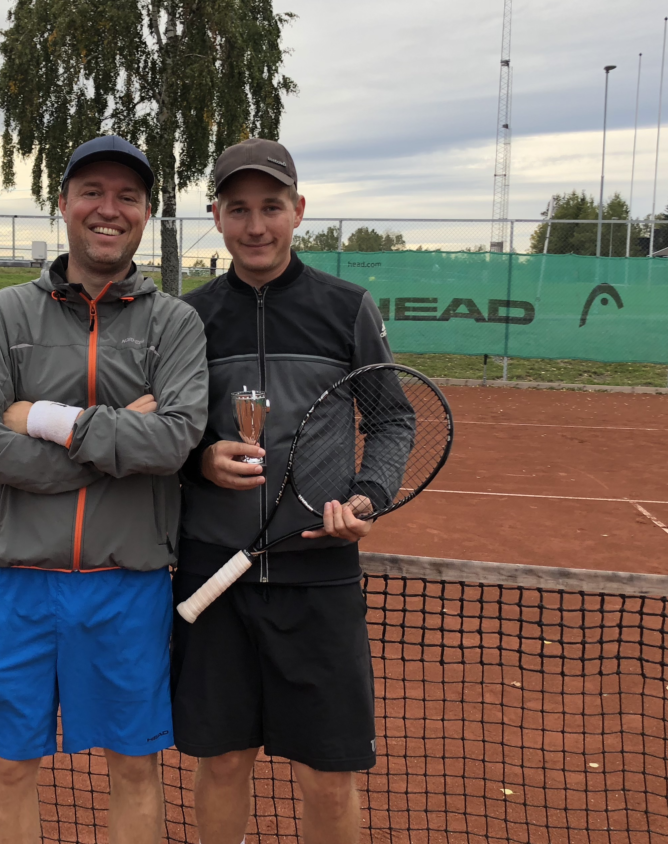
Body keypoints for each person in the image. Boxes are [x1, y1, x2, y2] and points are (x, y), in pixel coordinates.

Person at [0, 135, 209, 844]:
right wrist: (114, 447)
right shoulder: (4, 315)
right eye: (92, 192)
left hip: (128, 585)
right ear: (63, 204)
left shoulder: (175, 323)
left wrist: (42, 419)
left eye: (128, 196)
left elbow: (173, 441)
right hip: (15, 583)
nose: (108, 209)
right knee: (8, 769)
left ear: (146, 213)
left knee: (135, 770)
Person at [173, 137, 395, 844]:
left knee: (328, 775)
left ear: (298, 210)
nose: (256, 225)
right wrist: (199, 461)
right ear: (216, 216)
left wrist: (367, 497)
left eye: (271, 207)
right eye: (238, 209)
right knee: (221, 762)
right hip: (213, 575)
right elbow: (167, 433)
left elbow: (392, 419)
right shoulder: (187, 318)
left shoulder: (347, 308)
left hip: (319, 578)